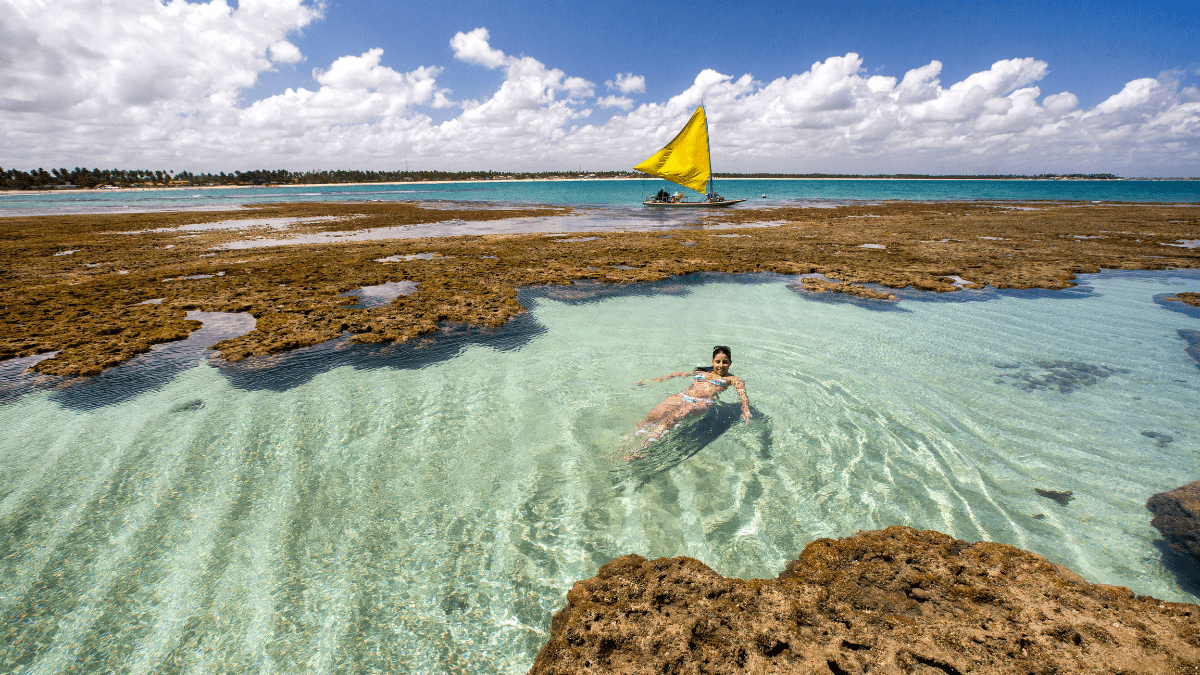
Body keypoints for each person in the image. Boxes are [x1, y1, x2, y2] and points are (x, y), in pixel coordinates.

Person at [632, 345, 751, 444]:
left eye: (725, 362)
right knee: (653, 415)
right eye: (717, 361)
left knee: (670, 419)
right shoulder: (702, 372)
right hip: (681, 396)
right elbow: (676, 375)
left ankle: (642, 448)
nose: (721, 365)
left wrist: (745, 410)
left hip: (700, 402)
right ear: (712, 362)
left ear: (730, 363)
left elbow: (743, 395)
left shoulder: (732, 379)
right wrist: (648, 381)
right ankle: (628, 440)